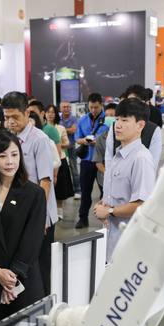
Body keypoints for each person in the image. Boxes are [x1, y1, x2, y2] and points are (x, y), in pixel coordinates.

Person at [0, 130, 46, 326]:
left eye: (14, 155)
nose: (9, 161)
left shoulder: (34, 193)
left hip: (23, 282)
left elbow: (33, 239)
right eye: (2, 156)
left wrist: (11, 278)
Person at [1, 91, 57, 296]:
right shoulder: (8, 138)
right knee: (19, 261)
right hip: (17, 213)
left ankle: (43, 307)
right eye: (6, 117)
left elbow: (45, 181)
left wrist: (39, 218)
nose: (10, 122)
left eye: (15, 117)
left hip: (38, 217)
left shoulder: (39, 140)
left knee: (40, 267)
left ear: (27, 113)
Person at [94, 99, 155, 262]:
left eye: (125, 120)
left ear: (140, 125)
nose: (118, 125)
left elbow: (142, 204)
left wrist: (110, 211)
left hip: (129, 243)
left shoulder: (141, 158)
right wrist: (103, 203)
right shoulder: (118, 154)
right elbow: (120, 194)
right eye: (117, 119)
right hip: (111, 238)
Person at [74, 92, 109, 229]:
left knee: (105, 191)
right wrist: (85, 141)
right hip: (87, 161)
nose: (93, 110)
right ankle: (83, 218)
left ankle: (106, 219)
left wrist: (99, 143)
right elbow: (77, 138)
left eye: (96, 107)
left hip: (103, 161)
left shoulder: (108, 121)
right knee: (85, 191)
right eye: (91, 107)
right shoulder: (82, 120)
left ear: (101, 105)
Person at [46, 104, 74, 217]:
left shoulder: (60, 128)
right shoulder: (41, 127)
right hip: (46, 160)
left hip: (60, 159)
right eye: (48, 112)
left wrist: (55, 144)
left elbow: (67, 143)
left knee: (60, 188)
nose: (50, 114)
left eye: (53, 112)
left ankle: (60, 211)